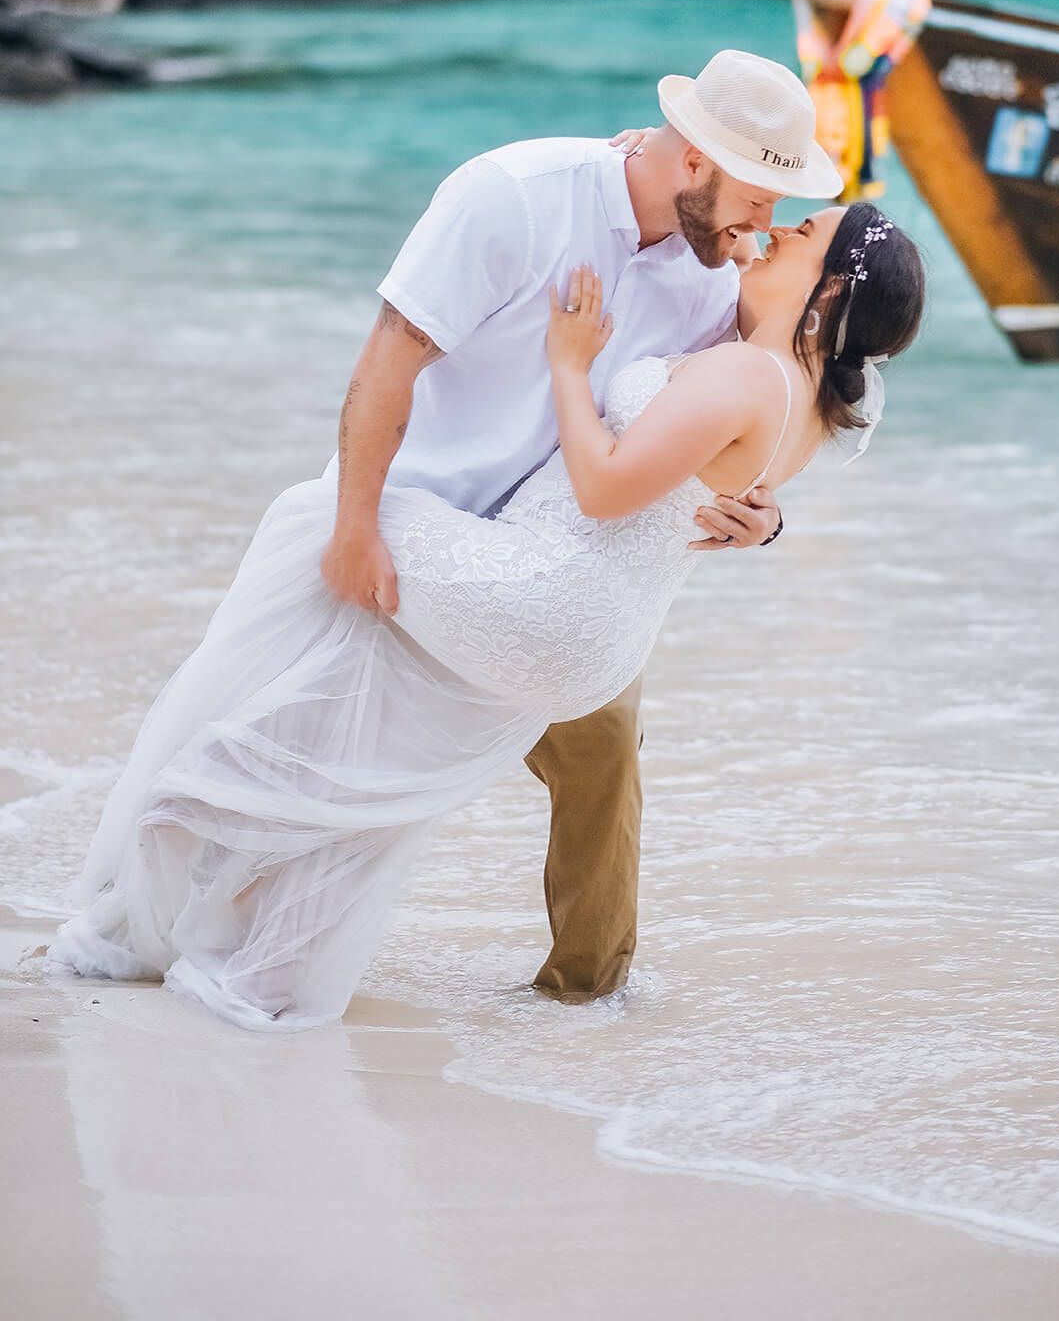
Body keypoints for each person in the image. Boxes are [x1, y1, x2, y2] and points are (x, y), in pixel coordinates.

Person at [49, 55, 925, 1030]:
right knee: (328, 744)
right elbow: (390, 355)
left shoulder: (719, 270)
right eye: (758, 195)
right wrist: (353, 523)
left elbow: (768, 402)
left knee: (589, 766)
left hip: (558, 567)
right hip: (427, 511)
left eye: (778, 210)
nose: (759, 224)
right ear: (689, 158)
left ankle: (583, 997)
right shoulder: (513, 197)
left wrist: (761, 513)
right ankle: (176, 934)